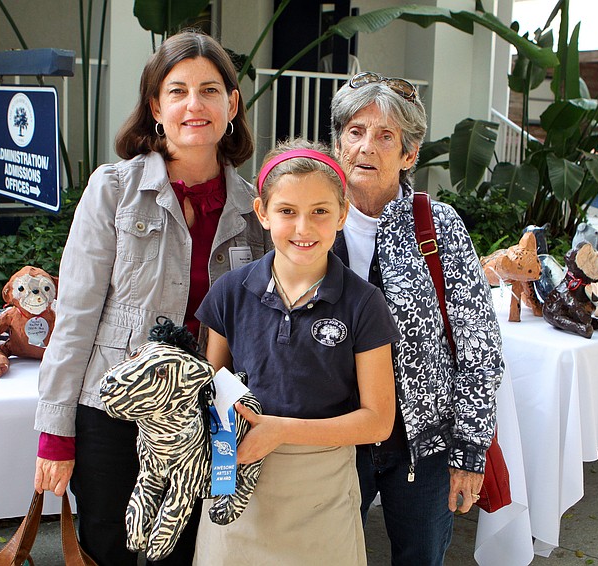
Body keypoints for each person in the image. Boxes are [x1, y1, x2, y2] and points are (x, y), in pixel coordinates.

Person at [32, 30, 269, 566]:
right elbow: (74, 317)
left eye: (210, 90)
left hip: (204, 415)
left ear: (231, 104)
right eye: (178, 90)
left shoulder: (257, 209)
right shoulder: (112, 189)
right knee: (107, 549)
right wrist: (54, 431)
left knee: (184, 555)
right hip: (111, 408)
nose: (194, 105)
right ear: (155, 107)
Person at [192, 139, 399, 566]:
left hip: (321, 491)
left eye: (320, 211)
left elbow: (378, 421)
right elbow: (209, 391)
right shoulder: (229, 293)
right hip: (238, 484)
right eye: (287, 211)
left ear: (342, 214)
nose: (303, 227)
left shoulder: (364, 303)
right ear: (262, 212)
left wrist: (282, 430)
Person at [330, 72, 505, 565]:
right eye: (356, 131)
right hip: (333, 436)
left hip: (420, 444)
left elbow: (479, 349)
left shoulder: (438, 225)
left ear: (409, 154)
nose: (368, 146)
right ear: (338, 143)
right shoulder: (310, 217)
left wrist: (470, 453)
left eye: (386, 136)